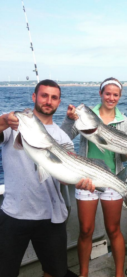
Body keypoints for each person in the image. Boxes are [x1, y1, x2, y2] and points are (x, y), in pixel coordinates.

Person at [0, 79, 94, 277]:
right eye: (44, 95)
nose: (48, 101)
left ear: (59, 102)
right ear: (34, 97)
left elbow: (65, 178)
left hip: (51, 216)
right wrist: (4, 120)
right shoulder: (12, 127)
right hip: (14, 213)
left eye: (54, 97)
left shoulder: (63, 138)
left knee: (54, 272)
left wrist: (82, 180)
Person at [61, 77, 127, 277]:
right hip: (86, 179)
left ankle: (119, 274)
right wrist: (69, 119)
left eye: (115, 94)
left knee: (113, 229)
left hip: (113, 179)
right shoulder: (84, 116)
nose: (111, 98)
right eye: (107, 93)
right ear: (100, 93)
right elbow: (63, 138)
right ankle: (84, 274)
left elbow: (122, 157)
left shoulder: (125, 122)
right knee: (86, 230)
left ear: (120, 97)